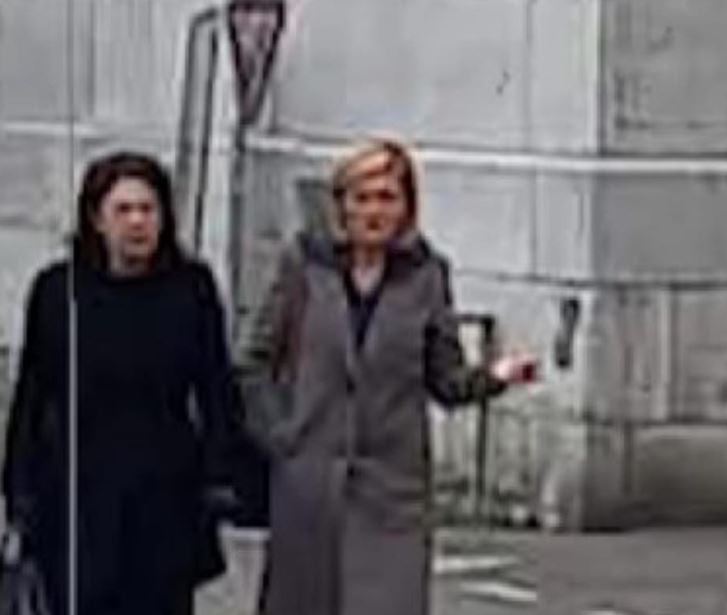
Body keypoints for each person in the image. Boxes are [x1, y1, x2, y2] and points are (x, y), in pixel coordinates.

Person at [240, 137, 539, 615]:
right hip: (312, 488)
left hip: (390, 493)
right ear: (341, 205)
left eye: (387, 198)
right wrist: (283, 437)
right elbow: (254, 364)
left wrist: (495, 377)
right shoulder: (305, 266)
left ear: (407, 207)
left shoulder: (426, 275)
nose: (374, 211)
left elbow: (444, 379)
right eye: (361, 198)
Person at [1, 151, 242, 615]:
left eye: (147, 209)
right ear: (96, 219)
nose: (137, 223)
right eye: (123, 210)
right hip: (77, 497)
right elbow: (32, 399)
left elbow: (216, 390)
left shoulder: (190, 289)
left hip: (163, 497)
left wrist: (221, 479)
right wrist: (20, 498)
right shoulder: (58, 291)